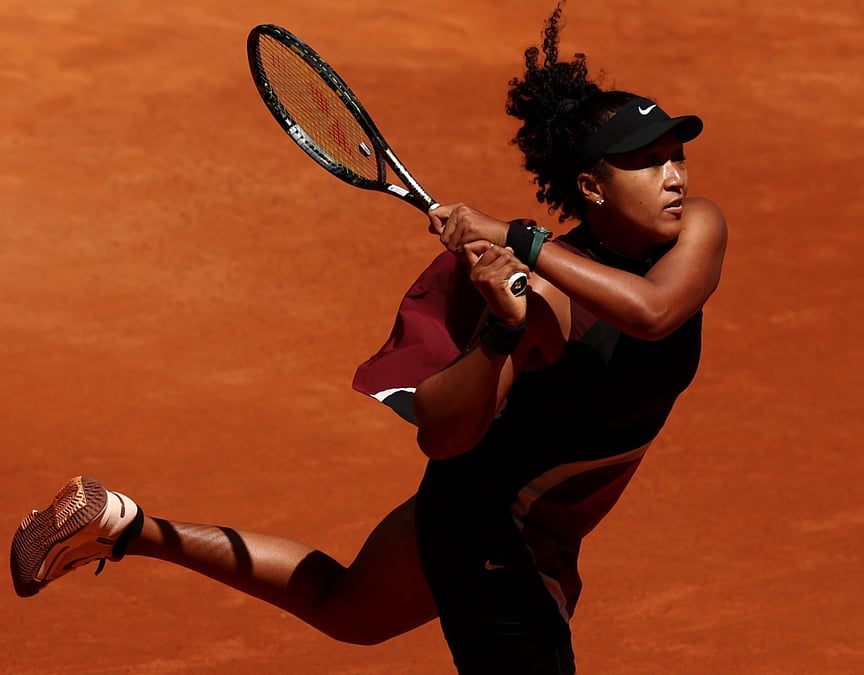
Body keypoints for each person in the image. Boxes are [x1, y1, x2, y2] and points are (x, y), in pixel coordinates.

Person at [9, 5, 726, 674]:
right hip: (492, 537)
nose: (674, 175)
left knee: (345, 607)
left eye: (675, 155)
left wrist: (517, 237)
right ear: (591, 187)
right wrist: (500, 335)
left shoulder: (697, 229)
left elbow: (655, 314)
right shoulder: (543, 304)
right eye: (647, 161)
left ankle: (123, 525)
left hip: (535, 522)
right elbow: (442, 439)